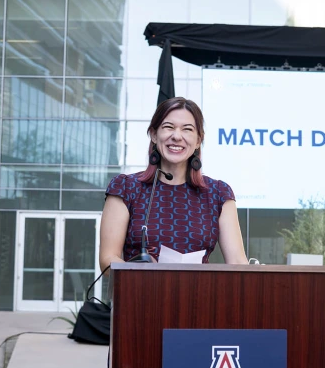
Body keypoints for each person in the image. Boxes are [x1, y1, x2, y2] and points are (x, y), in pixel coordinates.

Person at [99, 97, 248, 271]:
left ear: (199, 140)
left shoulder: (218, 194)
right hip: (139, 295)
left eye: (187, 129)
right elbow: (107, 260)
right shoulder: (125, 187)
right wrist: (142, 276)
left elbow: (238, 263)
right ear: (154, 135)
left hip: (200, 295)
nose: (177, 136)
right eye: (168, 127)